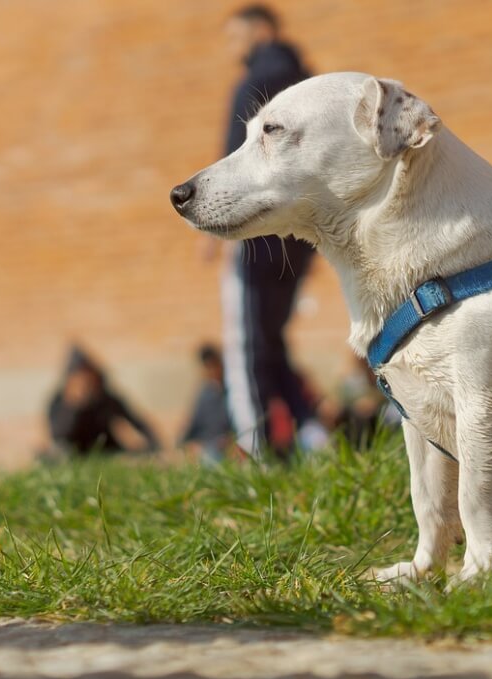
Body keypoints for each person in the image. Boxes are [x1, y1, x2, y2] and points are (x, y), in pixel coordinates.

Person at [200, 4, 327, 458]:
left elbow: (237, 160)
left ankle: (254, 450)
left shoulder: (254, 83)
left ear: (261, 31)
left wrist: (214, 225)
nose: (234, 48)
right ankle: (312, 433)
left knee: (247, 341)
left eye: (236, 37)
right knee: (272, 337)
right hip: (299, 239)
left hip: (255, 235)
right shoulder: (306, 83)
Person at [47, 347, 161, 456]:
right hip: (73, 453)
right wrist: (74, 405)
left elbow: (136, 420)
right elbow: (59, 434)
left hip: (107, 449)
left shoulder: (104, 398)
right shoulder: (59, 401)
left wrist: (152, 443)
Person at [179, 343, 233, 463]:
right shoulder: (204, 394)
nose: (212, 371)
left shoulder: (234, 392)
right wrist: (189, 445)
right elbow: (191, 427)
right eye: (208, 367)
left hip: (225, 448)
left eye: (214, 366)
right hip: (205, 447)